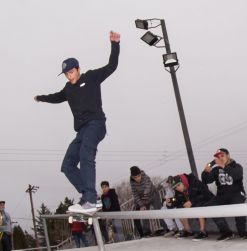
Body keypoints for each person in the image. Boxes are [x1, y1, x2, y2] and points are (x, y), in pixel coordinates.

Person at [34, 31, 121, 214]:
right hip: (81, 131)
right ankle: (89, 196)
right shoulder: (68, 89)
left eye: (71, 72)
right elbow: (57, 97)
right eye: (66, 74)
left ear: (78, 69)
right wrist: (41, 98)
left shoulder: (91, 77)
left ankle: (89, 199)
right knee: (68, 165)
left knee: (86, 153)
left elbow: (111, 66)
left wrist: (115, 44)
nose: (69, 76)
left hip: (96, 124)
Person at [202, 149, 247, 241]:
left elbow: (237, 175)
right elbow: (205, 181)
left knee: (238, 205)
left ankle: (242, 232)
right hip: (222, 195)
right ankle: (226, 232)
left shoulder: (237, 166)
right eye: (218, 157)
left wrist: (223, 166)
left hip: (236, 193)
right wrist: (205, 171)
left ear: (228, 155)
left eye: (222, 156)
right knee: (210, 206)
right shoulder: (216, 170)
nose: (220, 158)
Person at [170, 173, 214, 240]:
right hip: (194, 203)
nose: (177, 188)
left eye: (178, 185)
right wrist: (170, 203)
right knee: (179, 208)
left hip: (208, 201)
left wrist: (192, 202)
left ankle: (203, 231)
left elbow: (206, 194)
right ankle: (188, 231)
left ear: (183, 181)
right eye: (175, 187)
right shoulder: (178, 191)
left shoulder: (195, 182)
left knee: (198, 206)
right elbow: (177, 201)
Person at [129, 166, 166, 238]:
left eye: (138, 176)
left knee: (158, 210)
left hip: (153, 195)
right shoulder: (132, 182)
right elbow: (135, 194)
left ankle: (166, 227)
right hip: (143, 199)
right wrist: (141, 205)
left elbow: (147, 188)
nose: (138, 178)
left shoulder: (145, 177)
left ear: (140, 174)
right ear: (132, 177)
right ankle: (147, 232)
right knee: (144, 213)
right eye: (135, 177)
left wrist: (144, 199)